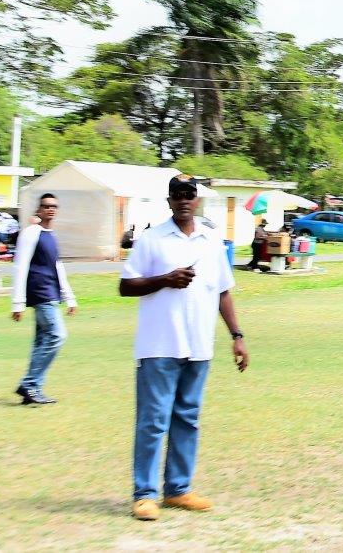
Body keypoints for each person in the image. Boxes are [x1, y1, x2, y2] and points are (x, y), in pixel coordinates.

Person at [119, 175, 249, 521]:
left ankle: (178, 489)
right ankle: (145, 494)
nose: (184, 200)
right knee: (152, 421)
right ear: (169, 200)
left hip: (198, 345)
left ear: (197, 200)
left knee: (187, 419)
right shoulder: (151, 239)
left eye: (189, 195)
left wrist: (237, 336)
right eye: (177, 195)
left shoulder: (211, 241)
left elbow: (222, 291)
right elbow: (125, 286)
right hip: (159, 344)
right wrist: (165, 279)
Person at [11, 194, 77, 405]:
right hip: (40, 292)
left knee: (42, 341)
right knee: (57, 335)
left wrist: (69, 297)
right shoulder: (31, 233)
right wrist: (17, 302)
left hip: (51, 292)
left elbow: (57, 266)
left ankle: (33, 389)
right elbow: (20, 266)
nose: (50, 209)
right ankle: (29, 384)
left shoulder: (50, 235)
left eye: (54, 206)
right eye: (46, 206)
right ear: (38, 210)